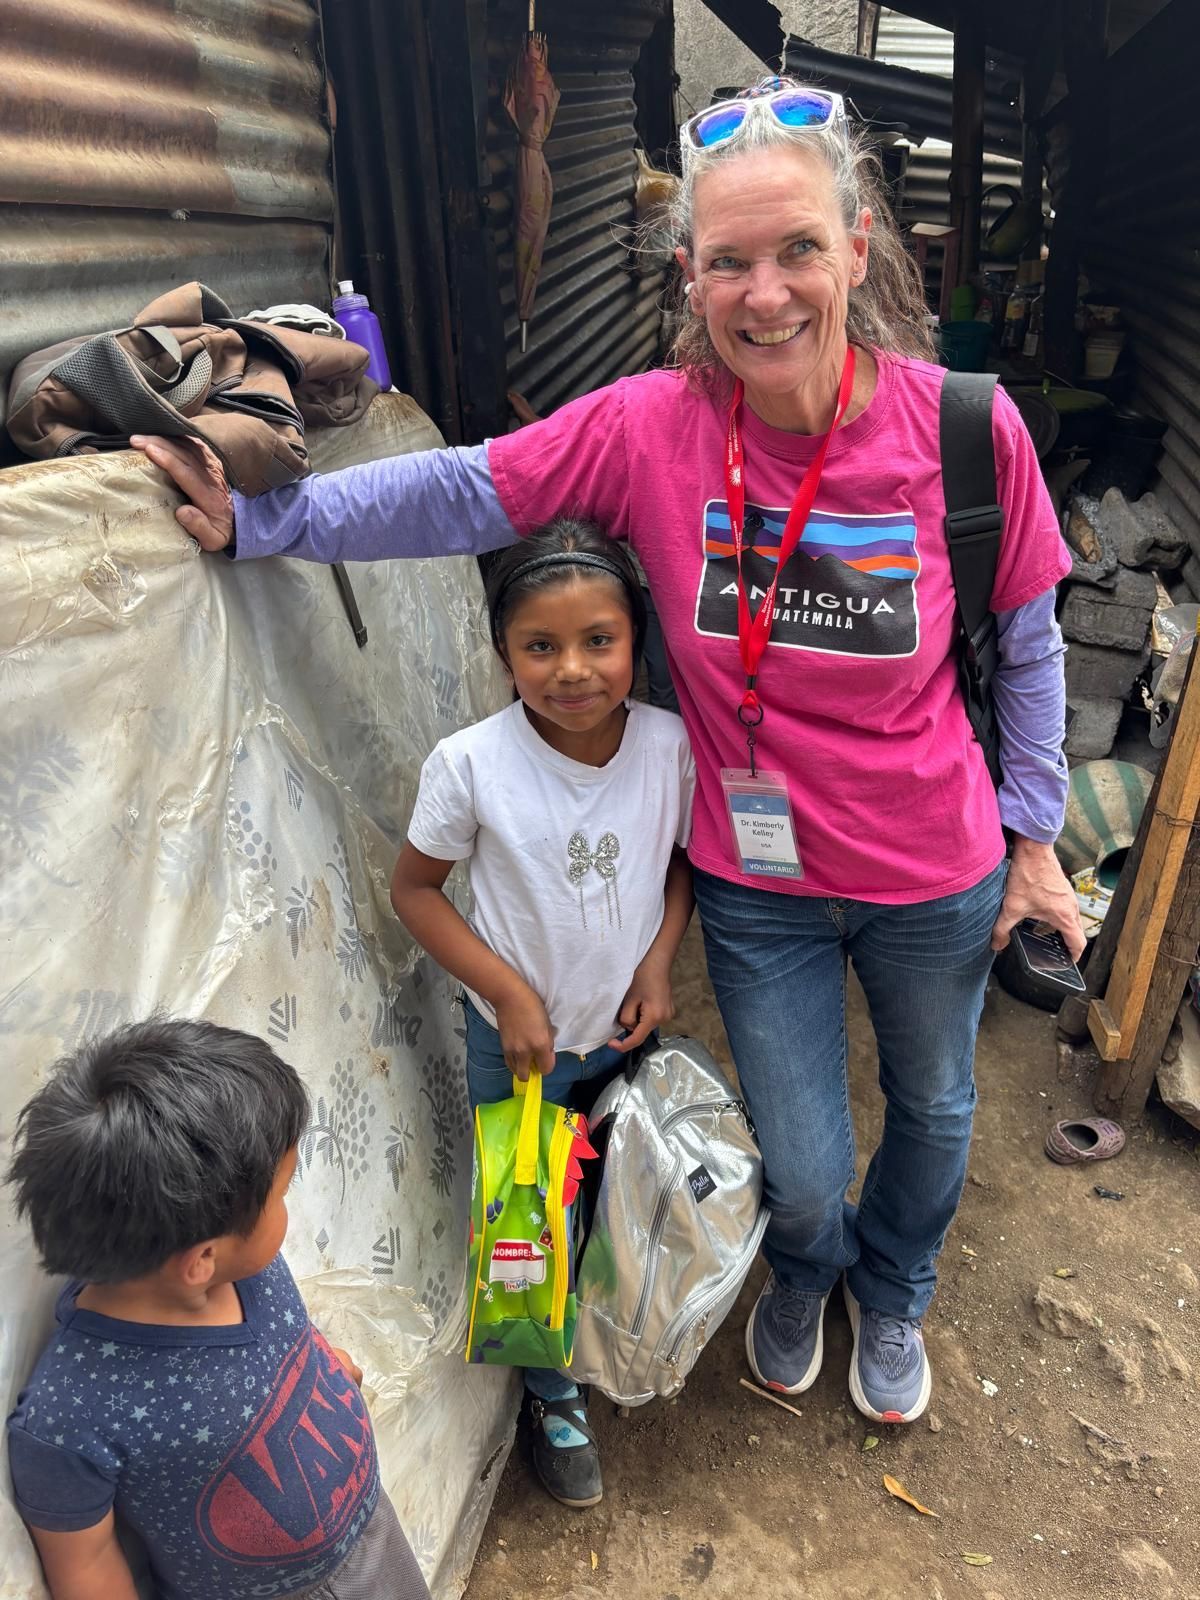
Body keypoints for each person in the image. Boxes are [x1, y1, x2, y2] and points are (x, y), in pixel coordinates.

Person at [132, 76, 1084, 1428]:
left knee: (931, 1113)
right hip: (758, 886)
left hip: (936, 869)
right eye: (732, 262)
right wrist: (270, 525)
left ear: (859, 251)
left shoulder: (961, 431)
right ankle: (809, 1269)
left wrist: (1034, 832)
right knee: (805, 1162)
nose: (768, 295)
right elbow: (466, 486)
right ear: (689, 274)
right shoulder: (653, 427)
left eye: (800, 250)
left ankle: (902, 1284)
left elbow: (1030, 640)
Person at [390, 518, 696, 1506]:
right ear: (503, 653)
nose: (572, 668)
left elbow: (683, 867)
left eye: (598, 640)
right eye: (540, 646)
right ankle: (549, 1387)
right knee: (523, 1212)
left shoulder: (668, 747)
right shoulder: (470, 764)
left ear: (636, 644)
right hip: (518, 1041)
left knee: (612, 1190)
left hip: (621, 1029)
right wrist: (509, 993)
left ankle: (609, 1330)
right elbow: (416, 890)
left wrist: (657, 961)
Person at [6, 1017, 432, 1600]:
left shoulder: (244, 1268)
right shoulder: (72, 1417)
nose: (287, 1209)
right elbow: (88, 1564)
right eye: (282, 1194)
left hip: (370, 1532)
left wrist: (322, 1366)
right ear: (201, 1259)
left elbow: (281, 1342)